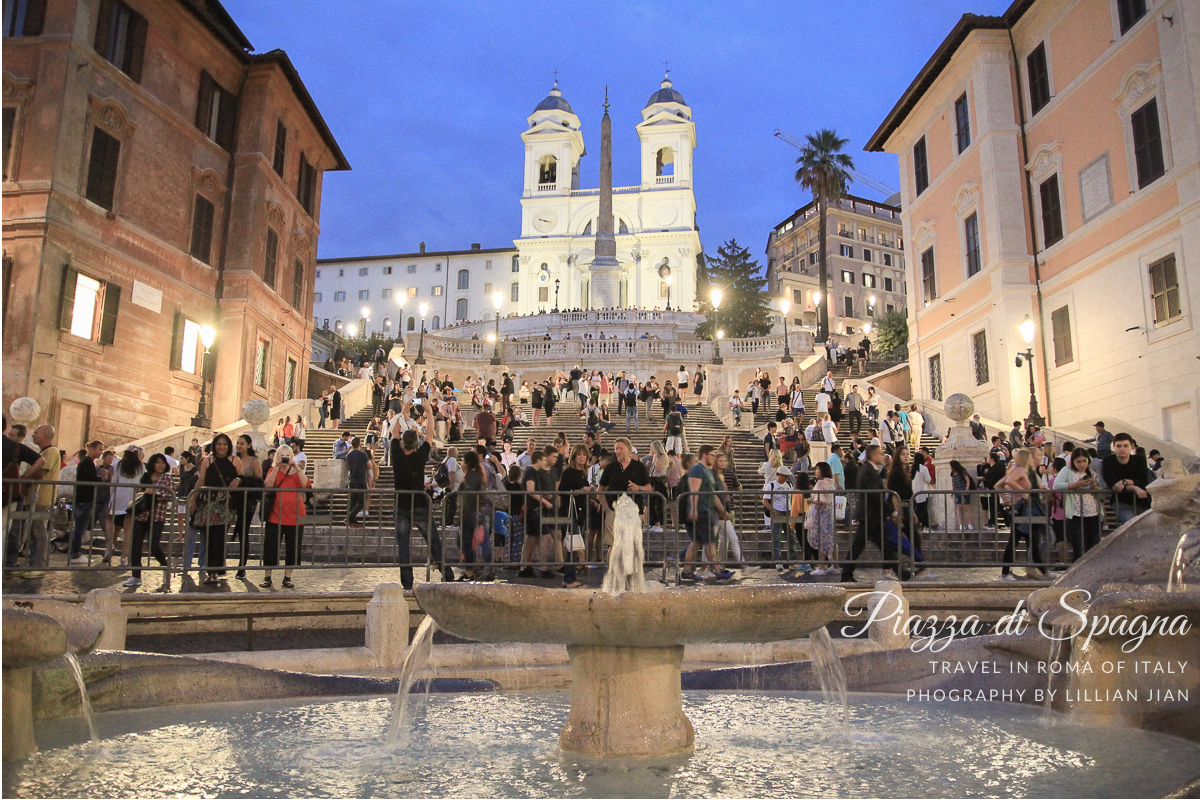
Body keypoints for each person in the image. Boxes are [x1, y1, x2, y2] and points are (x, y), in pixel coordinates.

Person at [392, 429, 453, 590]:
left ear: (402, 443)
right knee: (434, 542)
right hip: (420, 503)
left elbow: (393, 435)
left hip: (401, 505)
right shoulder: (420, 456)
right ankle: (447, 574)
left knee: (403, 545)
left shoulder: (396, 456)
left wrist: (402, 412)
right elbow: (430, 434)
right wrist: (428, 412)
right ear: (416, 444)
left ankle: (407, 582)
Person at [842, 445, 902, 583]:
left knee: (883, 544)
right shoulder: (868, 471)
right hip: (870, 515)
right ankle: (846, 573)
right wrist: (892, 511)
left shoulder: (870, 470)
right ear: (873, 455)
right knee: (862, 545)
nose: (882, 456)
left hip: (872, 515)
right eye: (880, 454)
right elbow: (876, 495)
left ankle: (900, 572)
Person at [681, 445, 734, 582]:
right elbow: (694, 491)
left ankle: (686, 571)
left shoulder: (706, 471)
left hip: (706, 510)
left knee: (696, 543)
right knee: (709, 543)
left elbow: (713, 495)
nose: (714, 457)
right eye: (712, 454)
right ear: (704, 455)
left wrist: (723, 511)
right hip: (701, 511)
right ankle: (718, 571)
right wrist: (693, 509)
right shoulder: (697, 469)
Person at [196, 433, 242, 585]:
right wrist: (192, 499)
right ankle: (212, 572)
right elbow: (201, 480)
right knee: (209, 538)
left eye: (224, 444)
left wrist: (237, 479)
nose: (221, 447)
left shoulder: (235, 460)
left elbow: (243, 477)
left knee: (220, 537)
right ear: (214, 446)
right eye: (218, 444)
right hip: (209, 503)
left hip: (226, 504)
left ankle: (217, 570)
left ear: (229, 446)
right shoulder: (207, 461)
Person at [996, 448, 1046, 580]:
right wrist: (1024, 493)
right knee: (1025, 541)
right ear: (1026, 458)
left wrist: (1007, 499)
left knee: (1022, 541)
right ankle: (1042, 571)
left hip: (1020, 509)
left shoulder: (1016, 470)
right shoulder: (1020, 470)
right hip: (1023, 509)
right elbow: (1009, 482)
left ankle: (1036, 570)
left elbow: (998, 485)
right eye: (1030, 457)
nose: (1032, 460)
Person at [597, 438, 652, 557]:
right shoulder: (610, 467)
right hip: (614, 510)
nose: (618, 451)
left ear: (629, 450)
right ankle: (612, 571)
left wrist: (639, 488)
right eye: (616, 449)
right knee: (613, 544)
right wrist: (606, 507)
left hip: (634, 510)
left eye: (621, 448)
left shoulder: (639, 466)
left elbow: (649, 487)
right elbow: (600, 489)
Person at [1054, 447, 1104, 561]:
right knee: (1079, 548)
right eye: (1078, 462)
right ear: (1073, 462)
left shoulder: (1093, 474)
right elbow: (1057, 485)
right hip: (1076, 514)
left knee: (1093, 549)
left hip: (1094, 514)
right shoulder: (1067, 471)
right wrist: (1075, 484)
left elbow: (1102, 494)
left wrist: (1094, 487)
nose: (1082, 465)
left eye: (1084, 461)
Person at [230, 434, 263, 579]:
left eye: (242, 443)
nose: (239, 445)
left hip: (247, 500)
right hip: (232, 499)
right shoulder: (232, 460)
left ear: (249, 445)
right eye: (238, 443)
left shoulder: (254, 461)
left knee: (243, 532)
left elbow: (258, 482)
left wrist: (242, 481)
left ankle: (241, 566)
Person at [1101, 432, 1152, 524]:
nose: (1122, 449)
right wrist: (1134, 487)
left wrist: (1124, 481)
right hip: (1120, 501)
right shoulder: (1108, 461)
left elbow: (1143, 481)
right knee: (1131, 524)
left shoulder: (1139, 460)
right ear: (1114, 447)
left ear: (1131, 446)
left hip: (1142, 501)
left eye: (1125, 446)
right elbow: (1114, 485)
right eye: (1119, 446)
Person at [67, 440, 103, 565]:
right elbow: (89, 480)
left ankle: (75, 553)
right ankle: (75, 554)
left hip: (83, 499)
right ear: (91, 449)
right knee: (80, 528)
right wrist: (101, 478)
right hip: (84, 499)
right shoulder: (87, 462)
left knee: (80, 528)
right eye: (99, 449)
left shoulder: (88, 462)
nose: (101, 452)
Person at [807, 462, 839, 576]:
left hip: (821, 514)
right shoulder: (831, 483)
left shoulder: (820, 483)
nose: (815, 472)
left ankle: (821, 566)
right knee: (830, 539)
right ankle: (835, 565)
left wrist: (811, 500)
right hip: (829, 514)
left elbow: (821, 500)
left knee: (821, 540)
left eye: (817, 470)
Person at [763, 464, 795, 570]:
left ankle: (792, 559)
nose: (785, 479)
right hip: (777, 511)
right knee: (776, 537)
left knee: (791, 536)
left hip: (788, 511)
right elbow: (765, 501)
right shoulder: (771, 485)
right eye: (784, 476)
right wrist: (774, 510)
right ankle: (778, 559)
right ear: (780, 475)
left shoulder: (788, 485)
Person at [345, 437, 376, 527]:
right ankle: (349, 517)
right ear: (359, 444)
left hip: (352, 480)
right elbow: (369, 466)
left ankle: (352, 520)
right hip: (361, 481)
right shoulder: (362, 454)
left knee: (353, 501)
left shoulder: (348, 455)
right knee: (361, 503)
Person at [949, 459, 975, 532]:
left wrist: (966, 489)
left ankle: (969, 523)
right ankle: (961, 524)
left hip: (964, 491)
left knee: (967, 507)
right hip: (957, 492)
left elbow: (967, 480)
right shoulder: (952, 473)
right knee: (959, 508)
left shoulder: (962, 472)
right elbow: (953, 483)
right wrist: (952, 492)